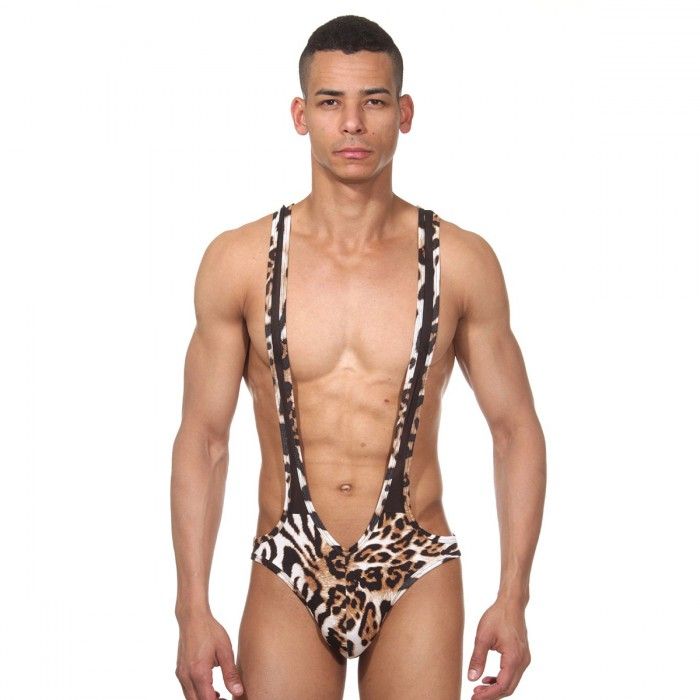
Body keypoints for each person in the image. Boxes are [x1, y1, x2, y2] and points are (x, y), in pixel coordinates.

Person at [171, 14, 545, 700]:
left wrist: (513, 597)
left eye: (373, 101)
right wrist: (191, 609)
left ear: (404, 113)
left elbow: (515, 430)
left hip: (415, 561)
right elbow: (204, 440)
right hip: (291, 560)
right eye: (329, 102)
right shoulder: (239, 262)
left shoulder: (461, 262)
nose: (351, 123)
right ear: (300, 115)